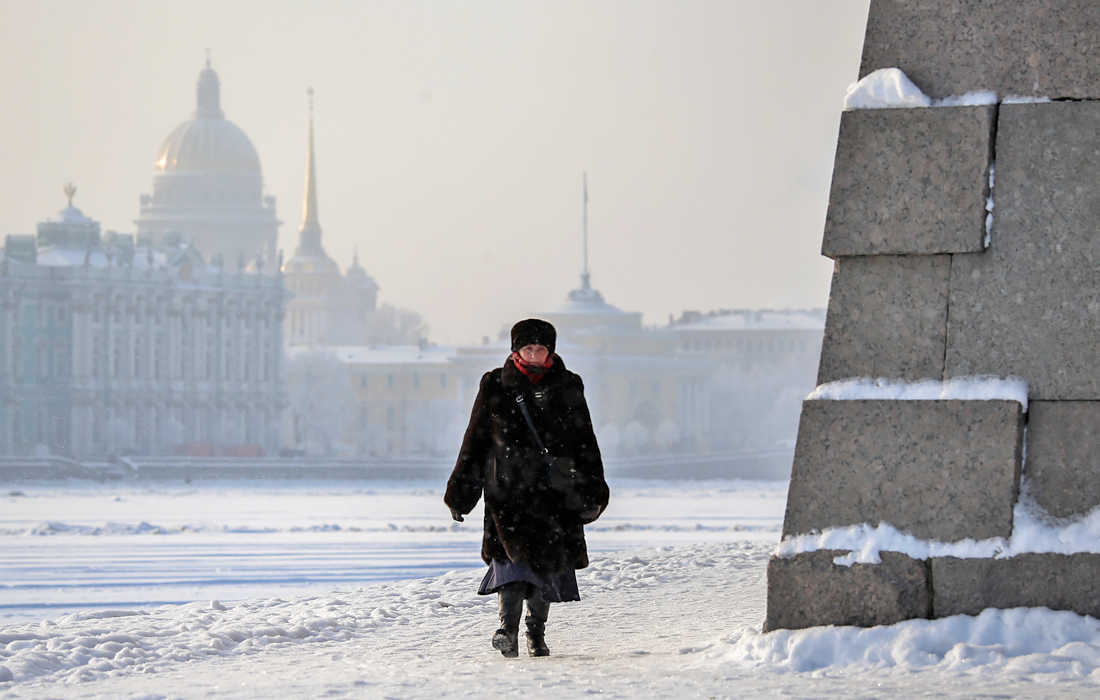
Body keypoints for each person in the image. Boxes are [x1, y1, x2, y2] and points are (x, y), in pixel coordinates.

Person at [445, 318, 610, 658]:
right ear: (515, 350)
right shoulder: (494, 385)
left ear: (550, 350)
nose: (534, 355)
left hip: (555, 494)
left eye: (541, 348)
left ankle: (536, 633)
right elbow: (474, 441)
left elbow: (585, 441)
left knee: (544, 566)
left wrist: (593, 490)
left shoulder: (568, 385)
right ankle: (507, 630)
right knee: (511, 565)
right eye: (528, 348)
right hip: (508, 493)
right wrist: (461, 494)